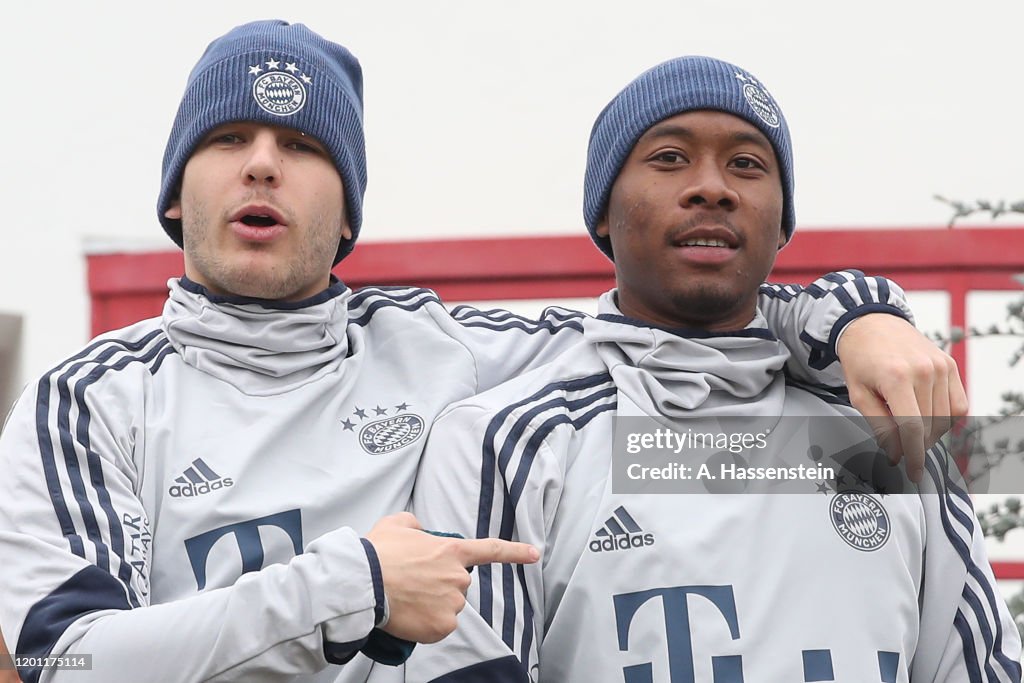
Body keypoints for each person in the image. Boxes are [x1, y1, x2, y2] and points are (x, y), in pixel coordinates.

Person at [0, 21, 966, 683]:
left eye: (302, 146)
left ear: (348, 215)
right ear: (176, 194)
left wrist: (857, 318)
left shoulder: (449, 353)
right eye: (229, 139)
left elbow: (680, 322)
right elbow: (66, 660)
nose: (262, 162)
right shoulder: (84, 402)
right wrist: (352, 586)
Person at [406, 56, 1022, 682]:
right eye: (669, 157)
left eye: (747, 164)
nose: (713, 187)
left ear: (782, 223)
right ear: (601, 212)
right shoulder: (500, 442)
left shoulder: (886, 427)